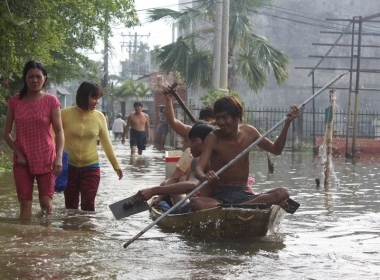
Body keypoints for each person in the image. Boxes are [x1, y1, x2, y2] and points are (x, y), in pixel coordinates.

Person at [192, 96, 299, 211]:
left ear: (237, 116)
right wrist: (204, 176)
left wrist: (287, 123)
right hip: (220, 196)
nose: (221, 122)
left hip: (244, 193)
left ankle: (239, 208)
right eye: (218, 118)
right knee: (195, 202)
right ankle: (242, 208)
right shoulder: (213, 137)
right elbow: (198, 169)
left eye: (225, 117)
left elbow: (276, 150)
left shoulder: (250, 132)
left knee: (283, 193)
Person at [2, 60, 64, 219]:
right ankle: (25, 241)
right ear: (25, 78)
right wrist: (19, 154)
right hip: (22, 159)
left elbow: (59, 130)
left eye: (38, 76)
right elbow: (6, 134)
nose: (34, 80)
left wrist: (58, 158)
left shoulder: (51, 101)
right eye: (30, 76)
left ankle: (46, 239)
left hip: (46, 158)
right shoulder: (15, 101)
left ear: (45, 78)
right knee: (25, 204)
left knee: (46, 205)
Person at [61, 81, 123, 211]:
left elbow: (106, 143)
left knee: (88, 206)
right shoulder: (64, 114)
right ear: (83, 97)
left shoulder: (99, 117)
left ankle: (87, 230)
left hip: (91, 167)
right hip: (69, 167)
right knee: (70, 206)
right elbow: (54, 138)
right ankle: (70, 230)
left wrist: (116, 166)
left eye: (98, 98)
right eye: (94, 98)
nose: (97, 102)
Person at [136, 122, 214, 213]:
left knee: (175, 188)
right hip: (204, 201)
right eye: (190, 141)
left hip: (202, 204)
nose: (190, 145)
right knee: (171, 183)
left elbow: (192, 185)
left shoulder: (199, 160)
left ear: (207, 142)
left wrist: (154, 191)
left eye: (194, 141)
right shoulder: (210, 157)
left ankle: (164, 205)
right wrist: (161, 194)